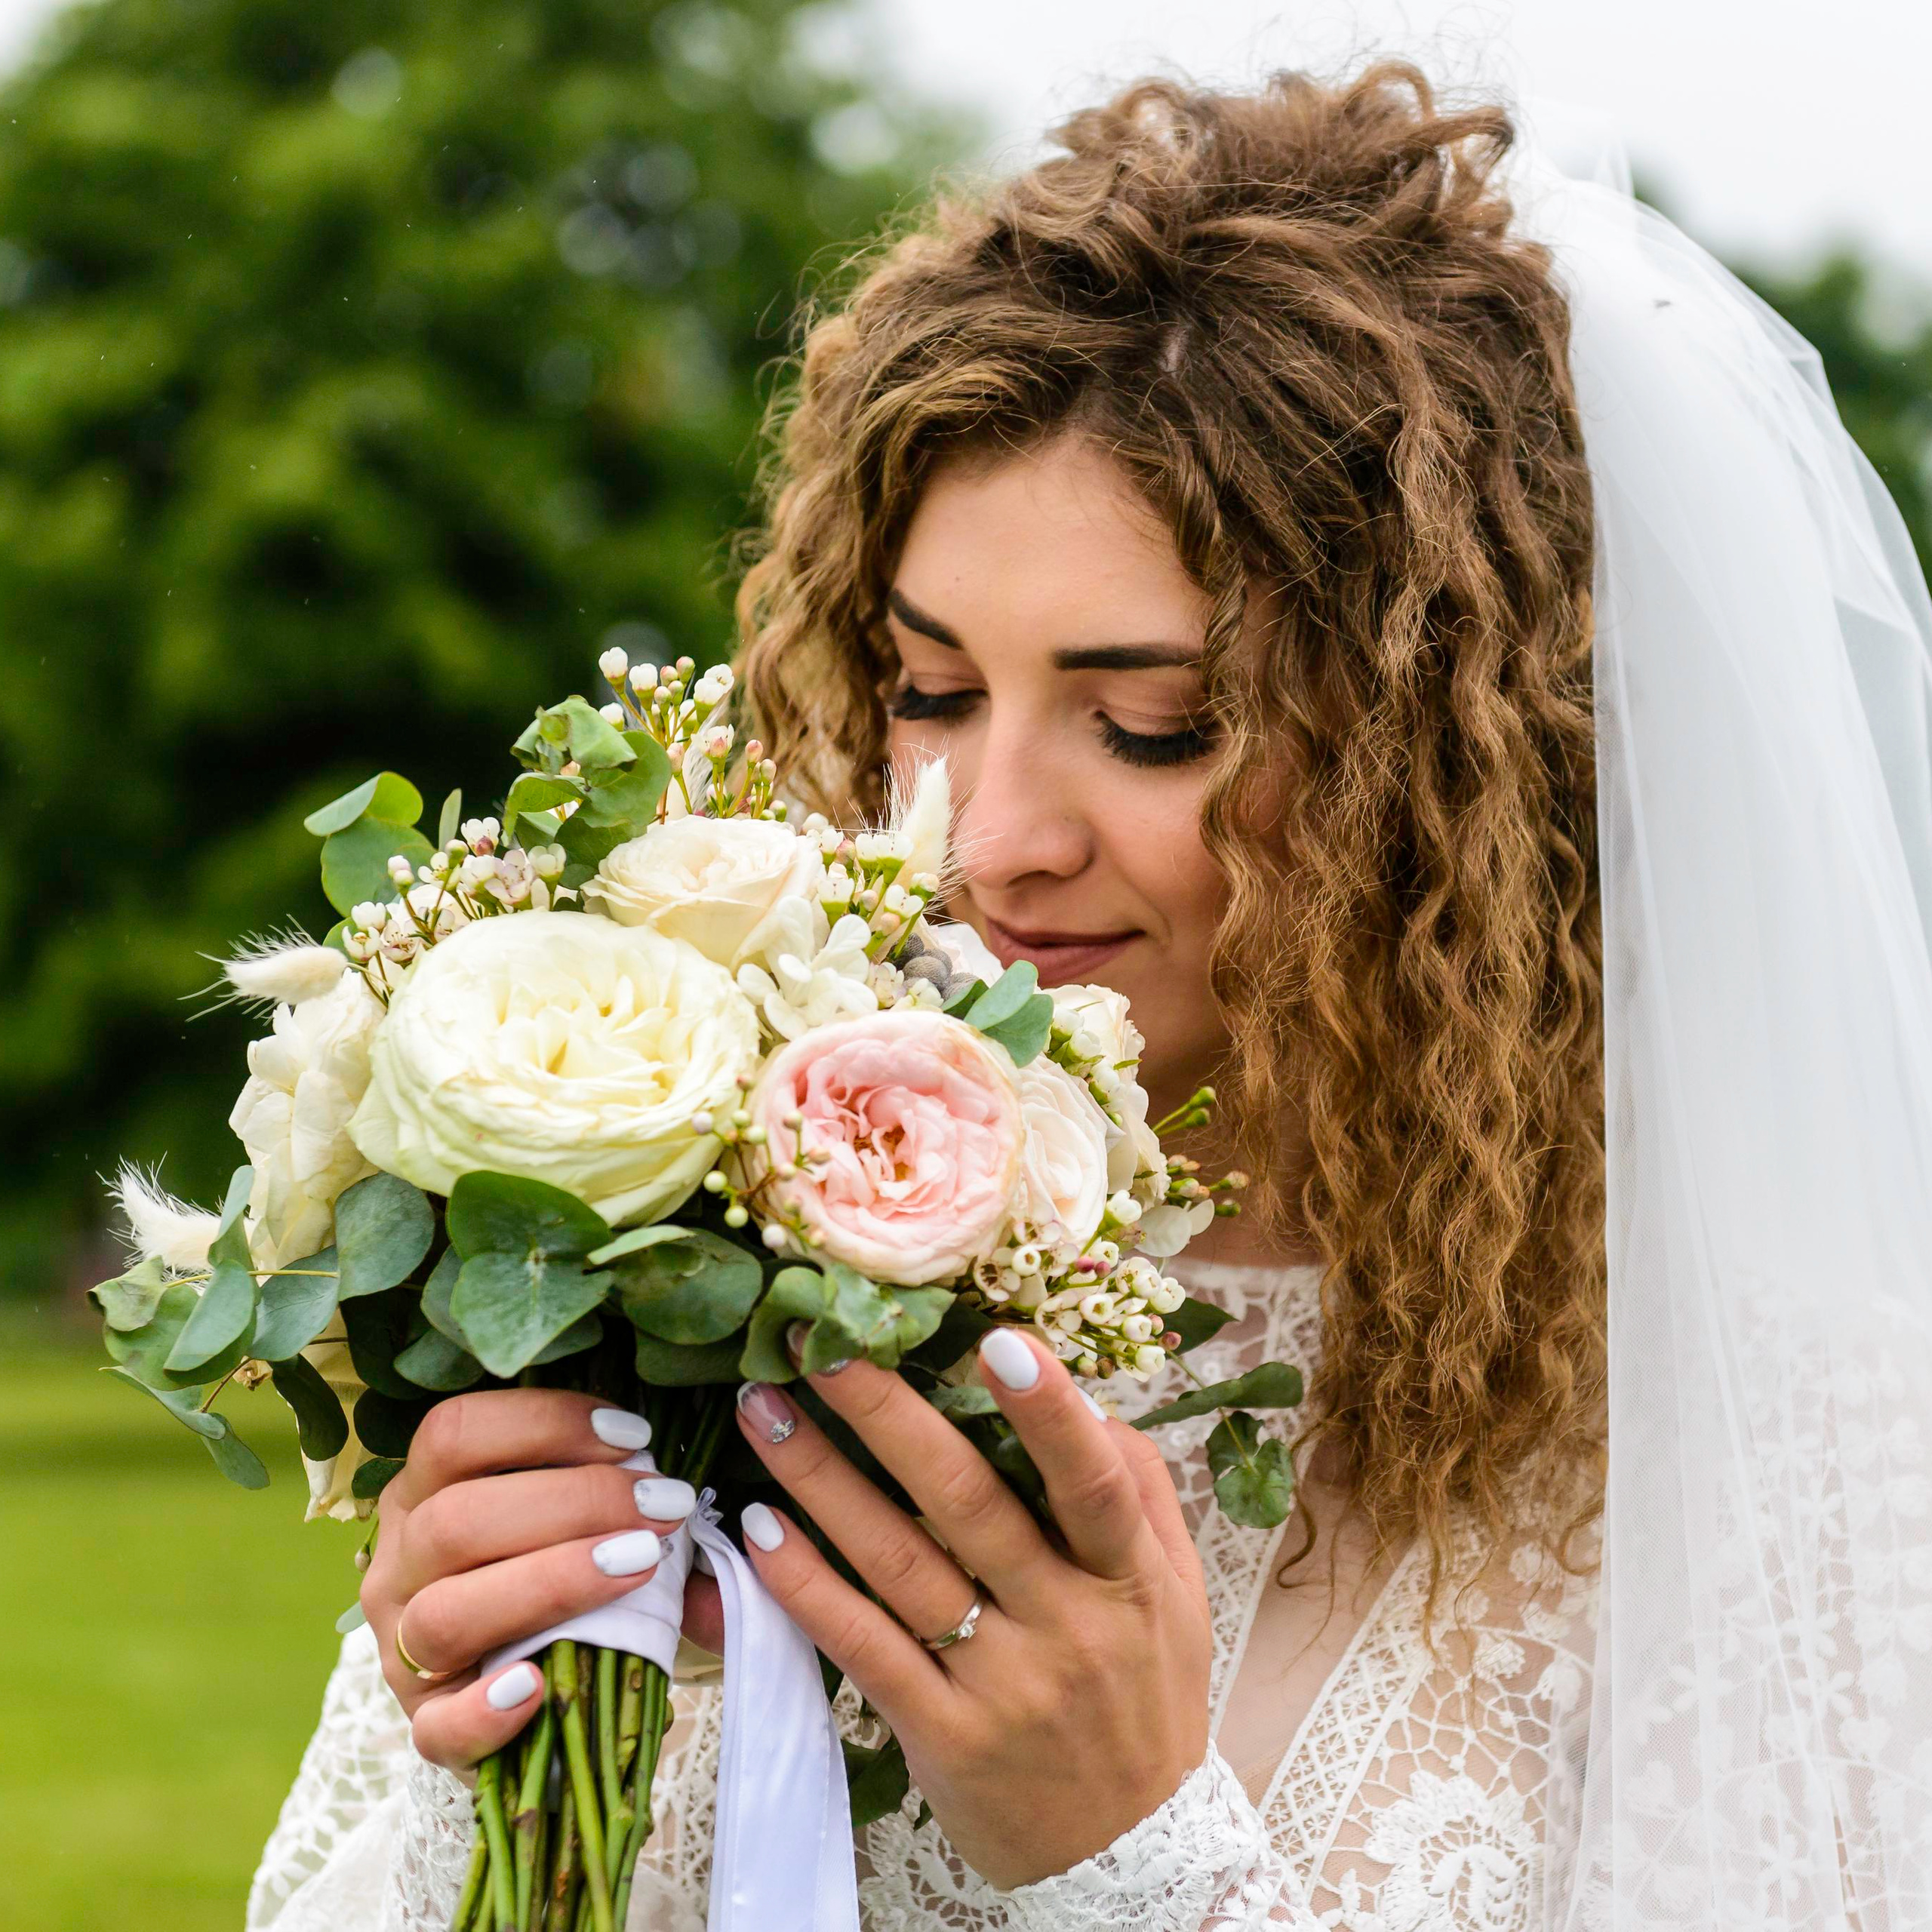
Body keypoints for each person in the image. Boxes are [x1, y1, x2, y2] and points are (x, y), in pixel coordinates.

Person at [248, 60, 1932, 1932]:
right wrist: (469, 1773)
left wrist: (1126, 1855)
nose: (982, 838)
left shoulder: (1805, 1460)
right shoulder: (711, 1258)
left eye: (1153, 723)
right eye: (930, 691)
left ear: (1462, 764)